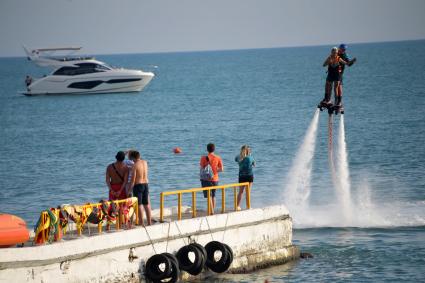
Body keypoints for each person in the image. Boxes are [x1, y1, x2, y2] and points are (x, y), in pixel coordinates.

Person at [200, 143, 223, 215]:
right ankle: (212, 211)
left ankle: (211, 211)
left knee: (208, 196)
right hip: (215, 179)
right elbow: (221, 169)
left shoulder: (203, 158)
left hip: (206, 179)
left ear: (207, 149)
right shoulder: (218, 157)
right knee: (213, 195)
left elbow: (202, 168)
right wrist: (215, 171)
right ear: (214, 149)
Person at [129, 150, 152, 226]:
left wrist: (129, 190)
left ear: (133, 158)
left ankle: (141, 222)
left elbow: (133, 180)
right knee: (146, 204)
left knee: (139, 204)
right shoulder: (145, 162)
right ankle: (149, 222)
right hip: (146, 184)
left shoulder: (135, 165)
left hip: (138, 185)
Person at [235, 145, 255, 211]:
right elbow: (254, 164)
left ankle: (237, 206)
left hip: (241, 176)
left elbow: (235, 160)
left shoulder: (238, 157)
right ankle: (248, 207)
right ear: (248, 151)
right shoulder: (250, 157)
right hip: (249, 175)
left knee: (240, 192)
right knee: (248, 192)